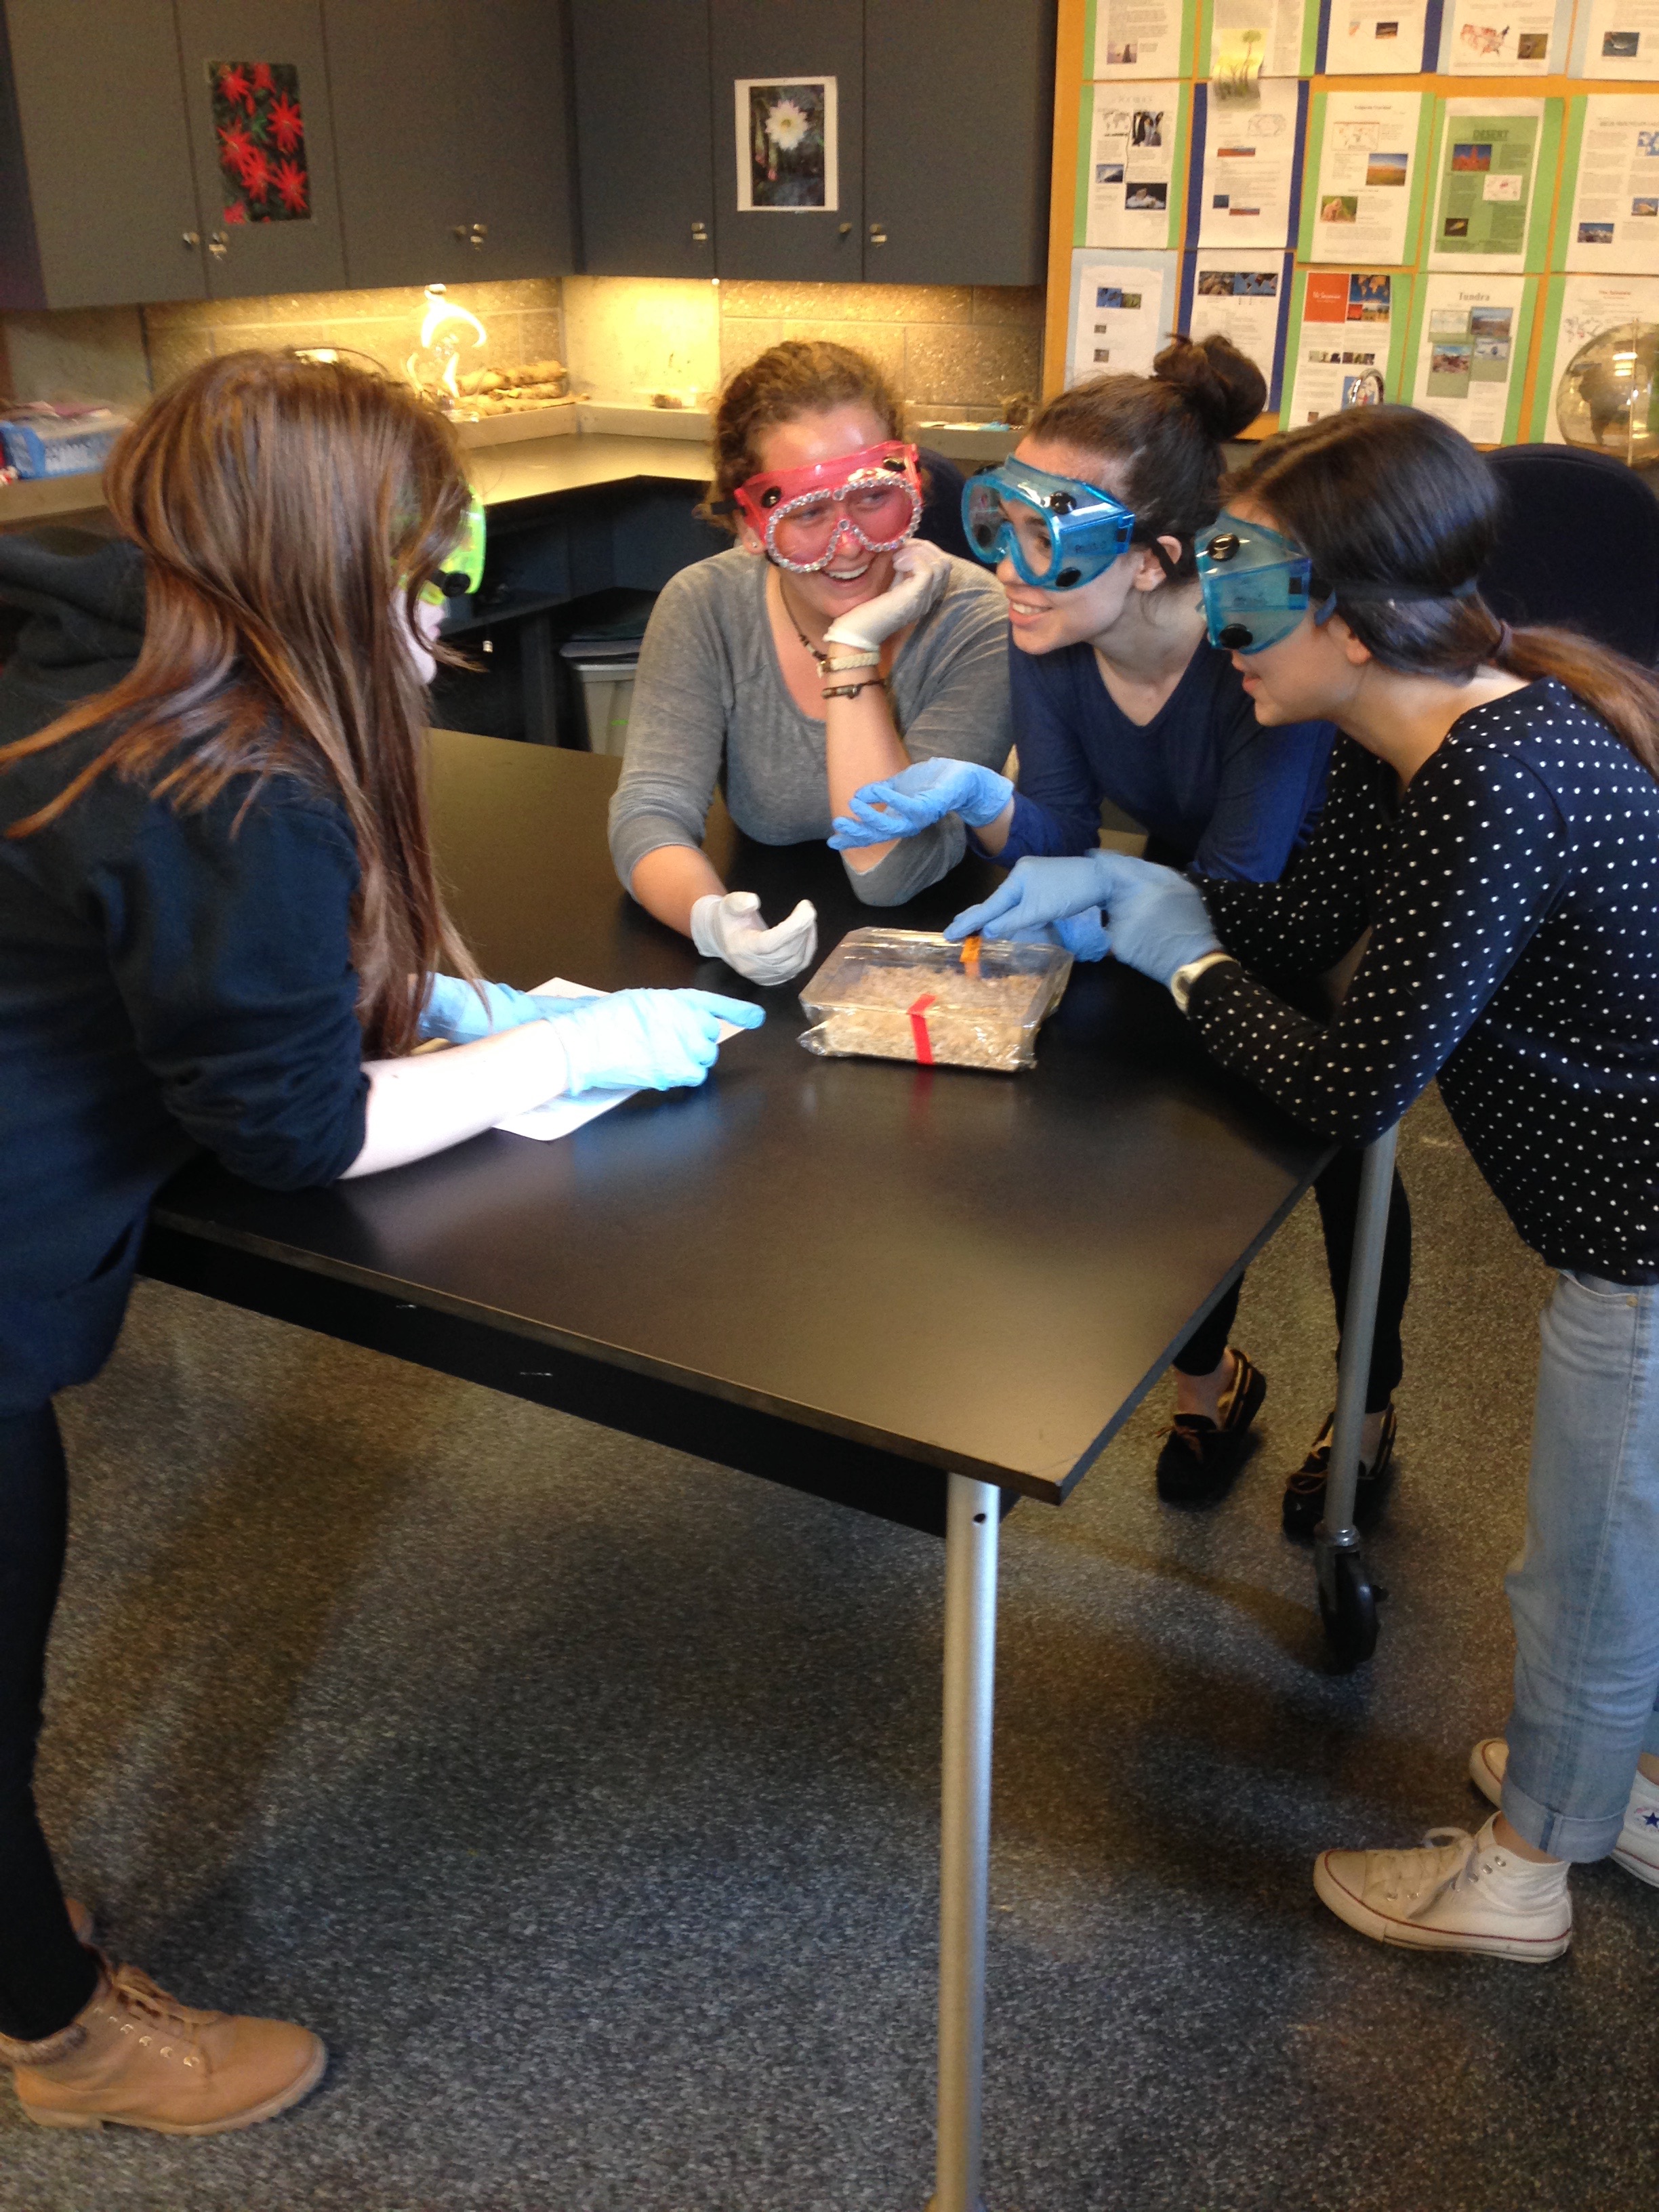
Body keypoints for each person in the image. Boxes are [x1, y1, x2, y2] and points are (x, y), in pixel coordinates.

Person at [0, 351, 762, 2134]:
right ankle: (55, 2037)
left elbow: (167, 958)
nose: (439, 638)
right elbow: (295, 1131)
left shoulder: (90, 638)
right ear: (320, 580)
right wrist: (551, 1052)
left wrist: (415, 1003)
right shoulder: (231, 777)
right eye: (423, 588)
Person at [946, 403, 1659, 1961]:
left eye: (1243, 581)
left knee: (1587, 1570)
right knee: (1624, 1541)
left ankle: (1528, 1864)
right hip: (1613, 1214)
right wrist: (1130, 896)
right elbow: (1281, 929)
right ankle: (1604, 1777)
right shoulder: (1403, 735)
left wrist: (1172, 946)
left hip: (1638, 1238)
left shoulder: (1492, 772)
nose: (1214, 616)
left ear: (1346, 619)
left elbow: (1351, 1082)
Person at [833, 337, 1410, 1527]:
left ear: (1153, 561)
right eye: (1002, 521)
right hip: (1185, 898)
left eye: (1051, 535)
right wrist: (985, 798)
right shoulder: (1049, 628)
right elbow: (1055, 830)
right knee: (1174, 1129)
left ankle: (1367, 1409)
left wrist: (1103, 891)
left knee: (1343, 1153)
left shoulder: (1260, 651)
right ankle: (1207, 1386)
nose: (1011, 566)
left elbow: (1243, 888)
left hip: (1326, 914)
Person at [607, 340, 1013, 985]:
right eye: (808, 512)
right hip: (769, 961)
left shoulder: (973, 617)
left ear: (913, 487)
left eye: (872, 499)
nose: (847, 545)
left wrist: (852, 645)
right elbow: (650, 811)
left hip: (937, 959)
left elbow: (890, 871)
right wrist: (711, 921)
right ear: (749, 527)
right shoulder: (705, 606)